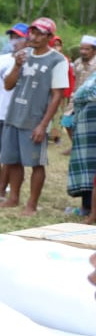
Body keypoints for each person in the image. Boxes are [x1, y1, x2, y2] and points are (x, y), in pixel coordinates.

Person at [0, 18, 68, 216]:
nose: (33, 37)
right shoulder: (23, 54)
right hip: (14, 115)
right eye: (32, 33)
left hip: (35, 119)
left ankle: (32, 205)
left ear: (50, 37)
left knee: (36, 163)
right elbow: (9, 85)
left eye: (39, 34)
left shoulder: (57, 60)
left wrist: (43, 125)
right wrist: (17, 66)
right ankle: (13, 198)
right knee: (12, 160)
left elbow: (57, 95)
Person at [0, 24, 28, 203]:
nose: (13, 41)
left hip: (14, 114)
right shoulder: (1, 59)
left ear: (27, 40)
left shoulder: (30, 62)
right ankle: (3, 179)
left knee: (8, 155)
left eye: (17, 37)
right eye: (11, 37)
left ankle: (1, 188)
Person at [67, 35, 96, 221]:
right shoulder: (77, 63)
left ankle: (90, 212)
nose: (83, 52)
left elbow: (87, 92)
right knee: (88, 166)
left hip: (90, 121)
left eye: (87, 49)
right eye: (82, 48)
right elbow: (80, 91)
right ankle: (87, 208)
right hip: (85, 119)